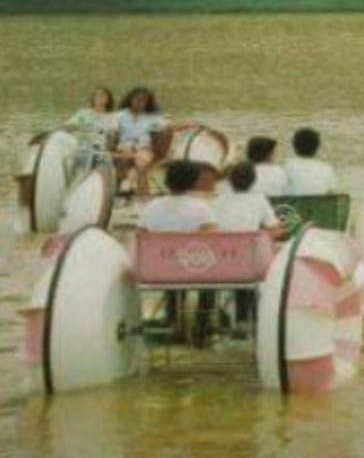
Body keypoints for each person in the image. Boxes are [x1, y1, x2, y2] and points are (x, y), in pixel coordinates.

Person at [138, 160, 218, 340]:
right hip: (193, 269)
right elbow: (213, 240)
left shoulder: (152, 206)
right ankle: (202, 328)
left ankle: (174, 323)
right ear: (195, 181)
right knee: (210, 274)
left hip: (160, 270)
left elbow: (141, 236)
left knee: (172, 267)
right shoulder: (202, 208)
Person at [212, 161, 283, 336]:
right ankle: (245, 319)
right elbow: (275, 229)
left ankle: (219, 317)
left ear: (229, 180)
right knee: (247, 262)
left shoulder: (218, 200)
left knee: (237, 258)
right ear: (254, 180)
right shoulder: (259, 199)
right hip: (248, 263)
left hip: (220, 261)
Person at [114, 86, 170, 199]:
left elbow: (169, 125)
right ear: (131, 99)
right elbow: (107, 128)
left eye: (143, 100)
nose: (140, 103)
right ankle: (125, 185)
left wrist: (191, 123)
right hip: (124, 147)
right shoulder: (120, 115)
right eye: (137, 99)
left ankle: (142, 197)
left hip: (143, 148)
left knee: (141, 164)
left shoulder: (151, 117)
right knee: (124, 156)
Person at [62, 87, 117, 159]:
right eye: (96, 95)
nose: (99, 97)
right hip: (78, 146)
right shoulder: (83, 113)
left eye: (102, 95)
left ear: (108, 99)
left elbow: (112, 136)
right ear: (93, 98)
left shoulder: (111, 117)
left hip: (98, 149)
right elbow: (67, 126)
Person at [284, 127, 338, 195]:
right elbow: (330, 194)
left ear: (294, 146)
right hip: (320, 205)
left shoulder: (285, 169)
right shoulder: (326, 169)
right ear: (317, 147)